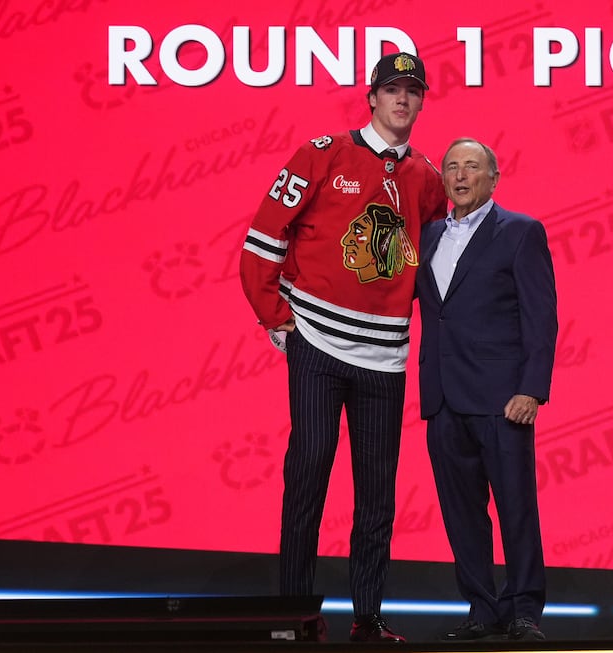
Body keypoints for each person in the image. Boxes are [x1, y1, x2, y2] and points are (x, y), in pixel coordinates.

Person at [239, 52, 446, 642]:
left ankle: (368, 618)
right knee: (307, 475)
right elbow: (261, 239)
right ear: (372, 98)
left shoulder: (427, 178)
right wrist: (278, 321)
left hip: (385, 358)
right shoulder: (323, 152)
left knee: (377, 494)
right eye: (392, 90)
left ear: (421, 101)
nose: (402, 100)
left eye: (413, 91)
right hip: (317, 346)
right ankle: (293, 617)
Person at [415, 138, 558, 641]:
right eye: (452, 167)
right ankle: (481, 609)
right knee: (461, 514)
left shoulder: (519, 232)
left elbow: (542, 319)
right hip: (443, 399)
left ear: (493, 178)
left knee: (516, 506)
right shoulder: (427, 236)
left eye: (471, 167)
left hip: (503, 399)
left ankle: (523, 610)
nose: (459, 175)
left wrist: (533, 390)